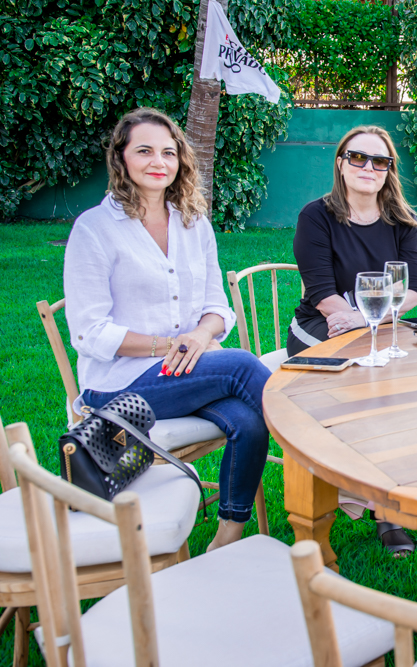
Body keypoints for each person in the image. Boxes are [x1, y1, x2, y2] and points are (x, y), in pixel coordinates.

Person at [64, 107, 271, 552]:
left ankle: (228, 535)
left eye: (168, 152)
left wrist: (198, 337)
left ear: (180, 160)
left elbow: (218, 307)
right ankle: (316, 447)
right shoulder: (95, 229)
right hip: (120, 385)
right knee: (239, 365)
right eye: (144, 151)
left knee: (249, 421)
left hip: (188, 369)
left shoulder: (193, 224)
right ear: (121, 158)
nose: (159, 161)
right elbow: (88, 332)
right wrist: (168, 344)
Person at [288, 124, 417, 556]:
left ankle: (387, 504)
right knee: (364, 384)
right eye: (358, 157)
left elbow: (414, 287)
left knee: (405, 384)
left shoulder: (402, 221)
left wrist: (373, 319)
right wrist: (347, 317)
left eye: (379, 161)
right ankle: (353, 494)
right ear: (341, 163)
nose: (369, 167)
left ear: (389, 170)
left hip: (379, 325)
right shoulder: (316, 215)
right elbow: (320, 288)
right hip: (320, 328)